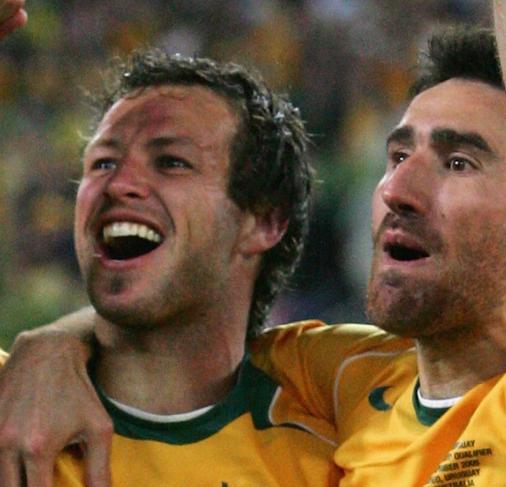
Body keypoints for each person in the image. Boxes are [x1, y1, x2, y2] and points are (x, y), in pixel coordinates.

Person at [1, 0, 506, 485]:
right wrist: (55, 344)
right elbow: (193, 317)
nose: (398, 187)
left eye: (458, 163)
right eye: (397, 155)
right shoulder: (336, 379)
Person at [0, 4, 342, 486]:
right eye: (101, 163)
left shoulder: (338, 452)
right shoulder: (10, 404)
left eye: (172, 162)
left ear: (263, 222)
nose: (119, 184)